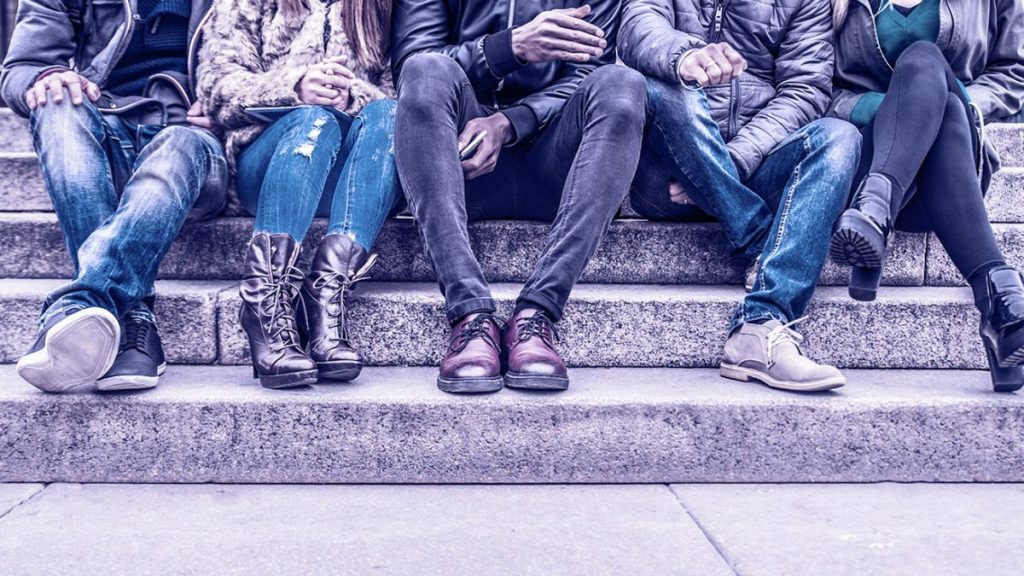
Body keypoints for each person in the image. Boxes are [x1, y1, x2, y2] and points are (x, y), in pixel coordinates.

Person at [392, 1, 647, 394]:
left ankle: (537, 312)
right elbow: (412, 60)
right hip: (462, 167)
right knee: (424, 71)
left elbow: (589, 72)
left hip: (558, 166)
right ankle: (470, 315)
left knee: (622, 83)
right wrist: (509, 48)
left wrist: (511, 122)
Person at [619, 0, 861, 392]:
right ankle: (759, 240)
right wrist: (686, 56)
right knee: (663, 84)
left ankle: (763, 323)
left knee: (839, 137)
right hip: (666, 175)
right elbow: (636, 28)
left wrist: (728, 164)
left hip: (752, 165)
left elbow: (804, 90)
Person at [1, 0, 228, 392]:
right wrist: (49, 77)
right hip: (106, 126)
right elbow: (20, 69)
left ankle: (78, 305)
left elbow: (281, 57)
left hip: (196, 144)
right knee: (55, 102)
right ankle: (133, 319)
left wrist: (229, 102)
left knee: (177, 142)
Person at [198, 0, 399, 389]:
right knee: (314, 119)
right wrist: (294, 87)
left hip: (354, 173)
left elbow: (405, 94)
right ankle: (264, 302)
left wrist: (351, 96)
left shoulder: (382, 5)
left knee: (391, 115)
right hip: (269, 161)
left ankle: (324, 295)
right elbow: (215, 86)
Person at [827, 0, 1024, 392]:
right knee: (933, 85)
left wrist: (940, 99)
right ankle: (1002, 302)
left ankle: (874, 212)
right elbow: (811, 84)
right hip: (864, 155)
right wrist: (899, 107)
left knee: (936, 79)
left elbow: (1014, 74)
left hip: (950, 181)